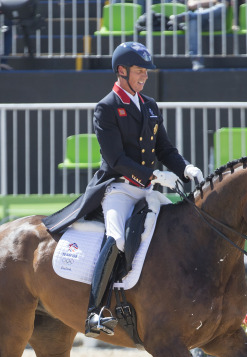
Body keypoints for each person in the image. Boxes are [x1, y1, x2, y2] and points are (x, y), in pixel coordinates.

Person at [42, 42, 204, 337]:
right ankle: (93, 311)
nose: (144, 76)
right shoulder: (106, 108)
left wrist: (185, 168)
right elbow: (116, 159)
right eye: (139, 71)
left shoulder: (150, 105)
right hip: (119, 189)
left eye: (146, 71)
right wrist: (154, 175)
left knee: (181, 230)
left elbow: (165, 148)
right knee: (117, 239)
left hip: (149, 188)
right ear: (122, 71)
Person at [170, 0, 238, 71]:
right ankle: (197, 60)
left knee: (221, 6)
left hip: (216, 21)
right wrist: (213, 2)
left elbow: (226, 3)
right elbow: (191, 5)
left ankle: (188, 16)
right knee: (193, 21)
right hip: (201, 20)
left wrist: (203, 3)